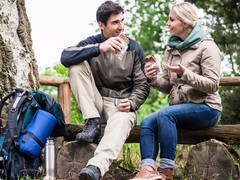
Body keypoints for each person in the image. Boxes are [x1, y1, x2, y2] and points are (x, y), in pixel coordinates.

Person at [131, 2, 222, 180]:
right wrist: (152, 78)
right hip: (179, 110)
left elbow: (213, 84)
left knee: (165, 115)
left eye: (171, 19)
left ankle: (166, 171)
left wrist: (185, 73)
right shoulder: (172, 48)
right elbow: (168, 85)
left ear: (186, 22)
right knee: (148, 121)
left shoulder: (207, 47)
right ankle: (147, 171)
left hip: (207, 108)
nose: (167, 23)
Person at [60, 1, 149, 179]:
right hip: (96, 103)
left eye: (122, 21)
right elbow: (65, 56)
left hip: (120, 105)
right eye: (115, 22)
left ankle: (95, 168)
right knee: (75, 67)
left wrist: (132, 102)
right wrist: (99, 48)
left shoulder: (134, 47)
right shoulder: (93, 42)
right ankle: (91, 122)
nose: (121, 27)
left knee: (122, 121)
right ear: (101, 25)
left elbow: (142, 84)